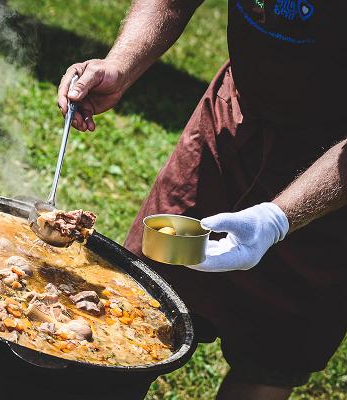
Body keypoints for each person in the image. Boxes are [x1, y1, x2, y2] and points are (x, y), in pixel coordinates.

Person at [57, 0, 346, 399]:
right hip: (232, 120)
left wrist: (277, 219)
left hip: (333, 185)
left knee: (272, 357)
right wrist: (121, 65)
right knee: (136, 299)